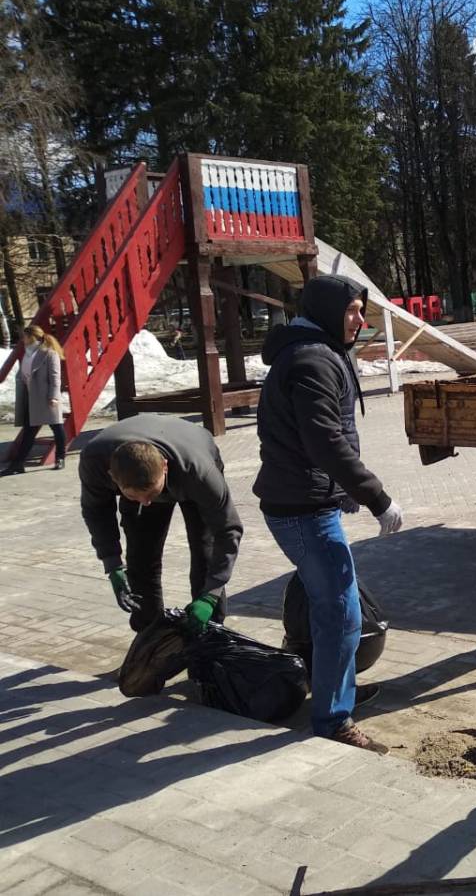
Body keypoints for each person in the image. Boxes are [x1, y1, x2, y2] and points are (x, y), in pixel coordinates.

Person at [253, 273, 403, 755]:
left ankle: (334, 690)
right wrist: (377, 496)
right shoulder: (313, 359)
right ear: (326, 311)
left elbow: (316, 438)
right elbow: (324, 441)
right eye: (353, 311)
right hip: (301, 510)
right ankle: (334, 718)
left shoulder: (312, 350)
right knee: (340, 613)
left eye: (362, 310)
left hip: (306, 501)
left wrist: (342, 492)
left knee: (329, 606)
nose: (361, 320)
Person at [78, 415, 244, 636]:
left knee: (206, 554)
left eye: (151, 494)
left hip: (188, 467)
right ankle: (150, 638)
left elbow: (228, 529)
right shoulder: (94, 462)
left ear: (165, 467)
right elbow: (96, 512)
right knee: (141, 561)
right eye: (136, 497)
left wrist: (210, 594)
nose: (146, 503)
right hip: (153, 467)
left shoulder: (200, 473)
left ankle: (209, 636)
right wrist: (113, 565)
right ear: (111, 477)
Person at [2, 325, 67, 476]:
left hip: (47, 398)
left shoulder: (49, 354)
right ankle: (18, 464)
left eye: (25, 336)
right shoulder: (28, 353)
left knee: (57, 428)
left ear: (32, 337)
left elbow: (55, 378)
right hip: (32, 398)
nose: (22, 339)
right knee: (29, 432)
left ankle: (60, 458)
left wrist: (53, 396)